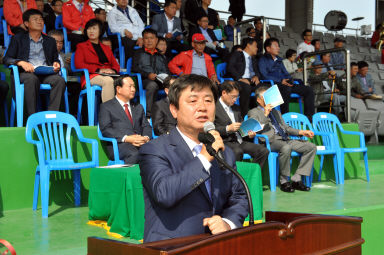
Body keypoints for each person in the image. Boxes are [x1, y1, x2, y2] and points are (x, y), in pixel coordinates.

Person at [139, 74, 248, 242]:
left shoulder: (225, 152)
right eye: (193, 101)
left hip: (214, 245)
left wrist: (227, 223)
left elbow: (239, 197)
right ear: (174, 110)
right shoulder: (154, 150)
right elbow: (164, 194)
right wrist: (204, 157)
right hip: (171, 246)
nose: (202, 107)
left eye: (208, 100)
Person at [248, 84, 316, 193]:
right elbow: (254, 129)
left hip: (285, 139)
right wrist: (265, 114)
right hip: (270, 141)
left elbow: (286, 128)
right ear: (259, 100)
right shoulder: (253, 112)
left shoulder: (276, 111)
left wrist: (301, 132)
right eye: (266, 97)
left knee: (311, 147)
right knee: (286, 147)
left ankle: (297, 178)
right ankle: (284, 181)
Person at [4, 9, 66, 119]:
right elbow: (7, 58)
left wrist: (56, 64)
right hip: (26, 73)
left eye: (41, 19)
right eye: (35, 19)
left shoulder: (50, 40)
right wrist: (21, 62)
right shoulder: (18, 39)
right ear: (27, 24)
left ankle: (51, 117)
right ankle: (32, 118)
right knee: (31, 79)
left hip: (46, 74)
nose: (39, 22)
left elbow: (54, 59)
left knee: (59, 80)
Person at [258, 38, 315, 120]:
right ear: (268, 48)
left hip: (285, 83)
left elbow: (286, 73)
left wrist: (289, 80)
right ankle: (285, 117)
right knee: (286, 89)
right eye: (276, 46)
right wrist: (280, 81)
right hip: (272, 84)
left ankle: (309, 117)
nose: (278, 48)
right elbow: (264, 75)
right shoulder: (263, 60)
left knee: (308, 89)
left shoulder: (279, 60)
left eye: (278, 46)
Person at [99, 76, 152, 164]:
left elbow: (146, 125)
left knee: (158, 151)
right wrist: (127, 138)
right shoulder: (106, 107)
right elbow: (106, 129)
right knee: (135, 154)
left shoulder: (138, 107)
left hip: (140, 142)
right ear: (119, 89)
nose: (133, 89)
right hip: (119, 144)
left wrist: (145, 138)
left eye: (134, 86)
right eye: (130, 86)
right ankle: (132, 178)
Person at [214, 81, 269, 166]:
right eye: (233, 97)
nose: (235, 99)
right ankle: (236, 178)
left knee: (263, 151)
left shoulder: (236, 108)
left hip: (239, 141)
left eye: (237, 97)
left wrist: (249, 132)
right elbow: (211, 129)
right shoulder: (214, 108)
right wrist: (228, 128)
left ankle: (250, 176)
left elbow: (242, 125)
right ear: (224, 93)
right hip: (225, 142)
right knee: (237, 151)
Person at [75, 19, 120, 103]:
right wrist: (99, 70)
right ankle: (108, 114)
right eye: (89, 28)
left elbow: (115, 64)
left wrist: (112, 70)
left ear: (100, 31)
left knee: (126, 81)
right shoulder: (81, 46)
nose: (91, 31)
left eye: (94, 28)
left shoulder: (106, 48)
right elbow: (79, 64)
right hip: (91, 76)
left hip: (109, 75)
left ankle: (123, 113)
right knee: (108, 81)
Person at [132, 28, 170, 119]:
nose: (149, 41)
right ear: (143, 39)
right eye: (146, 38)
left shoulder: (161, 55)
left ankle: (171, 114)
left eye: (151, 38)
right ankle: (149, 116)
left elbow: (167, 71)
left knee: (174, 85)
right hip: (145, 80)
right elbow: (135, 68)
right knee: (152, 85)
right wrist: (147, 75)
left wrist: (167, 78)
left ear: (156, 40)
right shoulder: (138, 53)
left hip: (161, 80)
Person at [226, 37, 261, 117]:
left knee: (266, 88)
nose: (257, 48)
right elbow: (230, 67)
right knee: (246, 88)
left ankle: (262, 115)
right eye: (255, 46)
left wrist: (256, 76)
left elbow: (258, 72)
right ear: (249, 45)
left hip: (251, 81)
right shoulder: (237, 54)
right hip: (239, 80)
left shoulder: (254, 59)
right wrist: (240, 78)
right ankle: (243, 116)